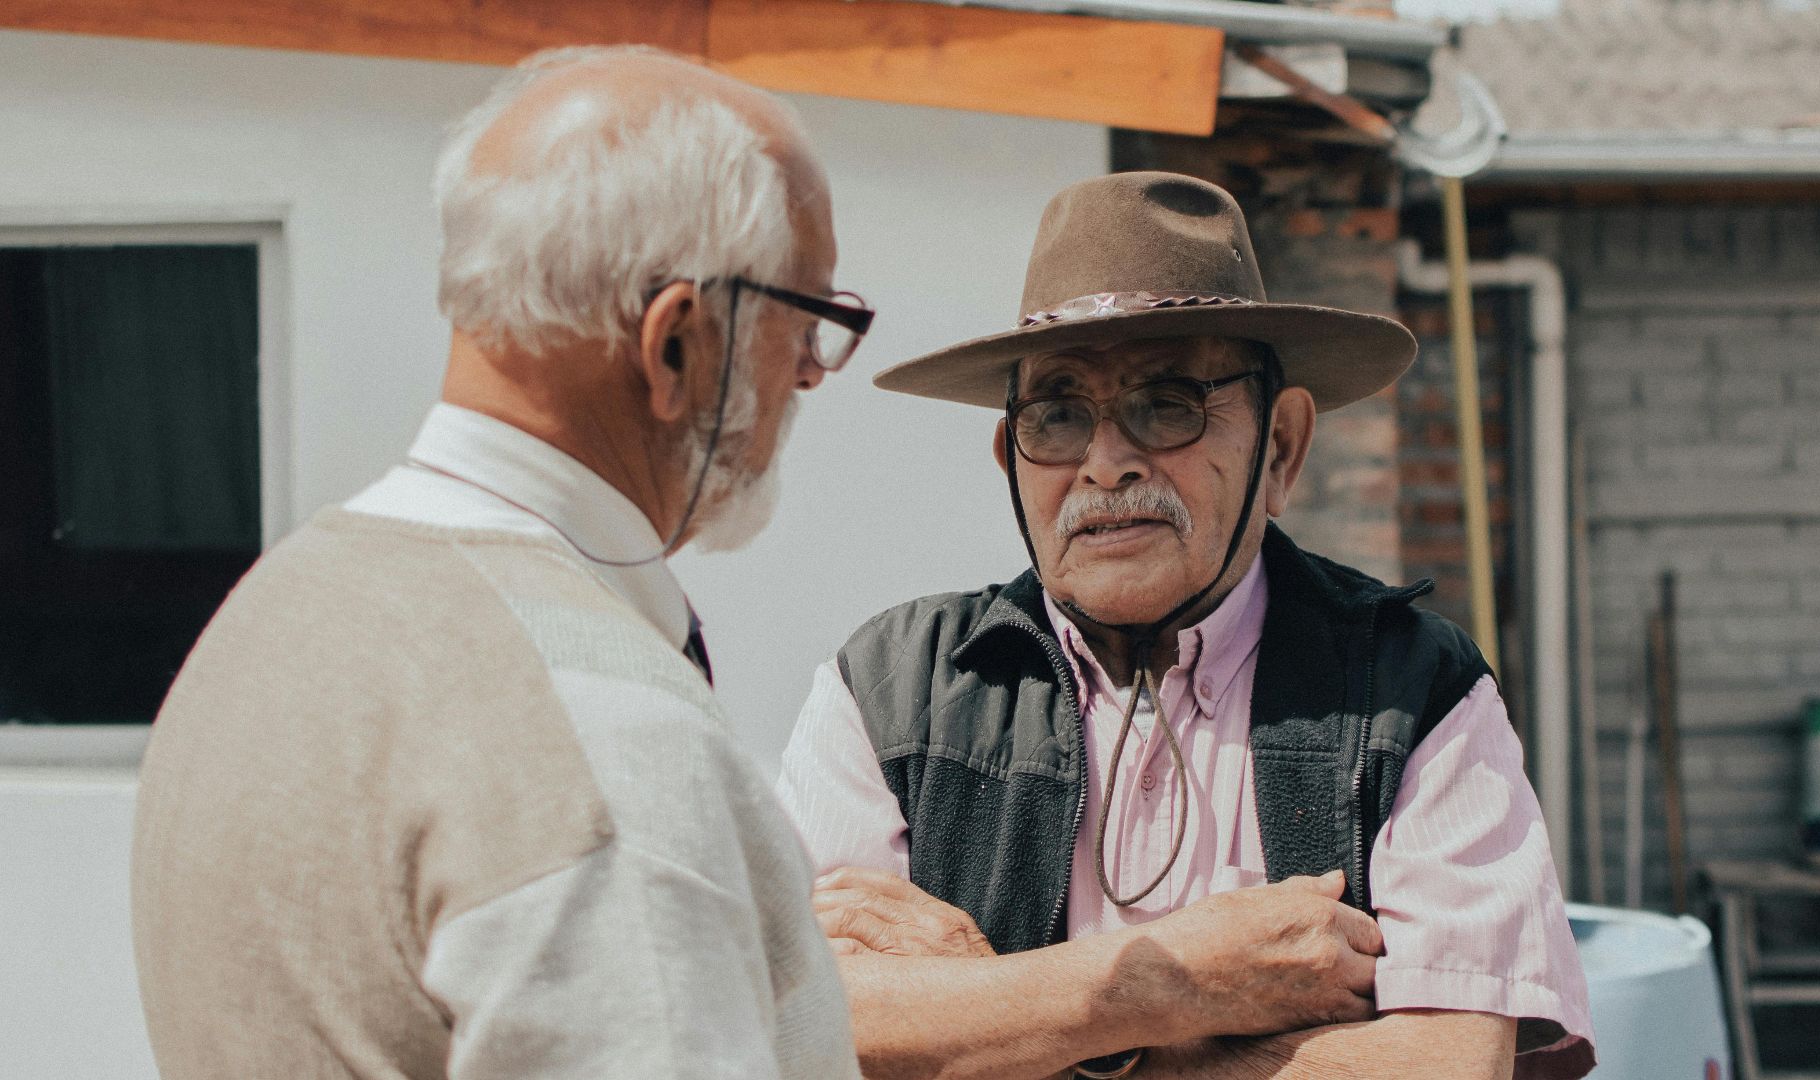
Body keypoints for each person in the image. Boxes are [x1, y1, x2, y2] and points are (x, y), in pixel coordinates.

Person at [131, 46, 871, 1079]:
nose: (810, 374)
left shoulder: (272, 611)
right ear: (676, 346)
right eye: (813, 320)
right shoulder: (611, 743)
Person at [777, 171, 1596, 1080]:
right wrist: (1180, 986)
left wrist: (989, 1012)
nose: (1105, 464)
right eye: (1056, 414)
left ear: (1279, 446)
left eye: (1167, 403)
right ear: (1011, 456)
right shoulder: (892, 688)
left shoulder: (1413, 688)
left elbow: (1446, 1063)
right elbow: (797, 1027)